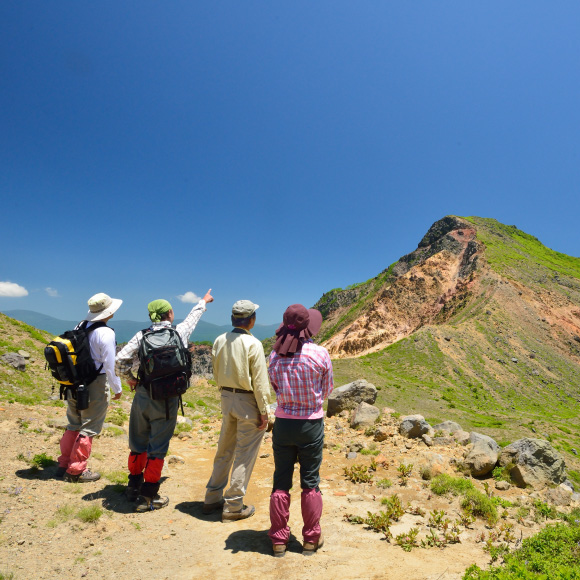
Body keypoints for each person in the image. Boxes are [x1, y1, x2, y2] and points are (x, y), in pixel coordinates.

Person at [115, 290, 213, 512]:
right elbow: (192, 318)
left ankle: (133, 486)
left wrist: (131, 380)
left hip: (143, 394)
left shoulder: (141, 336)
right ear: (169, 313)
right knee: (157, 447)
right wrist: (203, 302)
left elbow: (120, 359)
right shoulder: (179, 333)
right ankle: (148, 495)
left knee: (137, 441)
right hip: (167, 398)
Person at [267, 304, 333, 557]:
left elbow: (275, 388)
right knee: (310, 482)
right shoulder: (320, 354)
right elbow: (326, 391)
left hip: (283, 424)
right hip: (310, 425)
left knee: (281, 481)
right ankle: (310, 539)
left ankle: (279, 541)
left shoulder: (274, 356)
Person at [203, 299, 271, 522]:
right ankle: (233, 506)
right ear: (251, 320)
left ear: (233, 318)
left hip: (226, 397)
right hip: (247, 401)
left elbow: (214, 370)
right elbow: (260, 382)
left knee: (224, 449)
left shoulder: (219, 339)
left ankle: (212, 496)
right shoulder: (254, 344)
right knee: (244, 453)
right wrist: (264, 410)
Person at [57, 293, 124, 483]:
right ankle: (76, 470)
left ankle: (63, 464)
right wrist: (116, 387)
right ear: (108, 312)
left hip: (74, 382)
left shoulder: (79, 325)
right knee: (89, 427)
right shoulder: (106, 333)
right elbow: (110, 365)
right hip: (95, 382)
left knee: (74, 423)